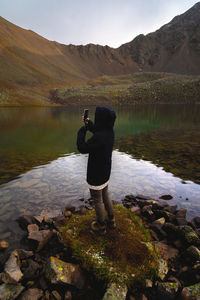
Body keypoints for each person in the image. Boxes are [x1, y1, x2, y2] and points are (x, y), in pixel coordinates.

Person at [77, 106, 116, 235]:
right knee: (105, 195)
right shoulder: (109, 132)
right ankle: (111, 220)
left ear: (101, 120)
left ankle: (101, 225)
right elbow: (99, 131)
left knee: (97, 200)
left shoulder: (98, 137)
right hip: (105, 172)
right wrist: (89, 124)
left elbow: (82, 148)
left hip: (96, 174)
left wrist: (82, 131)